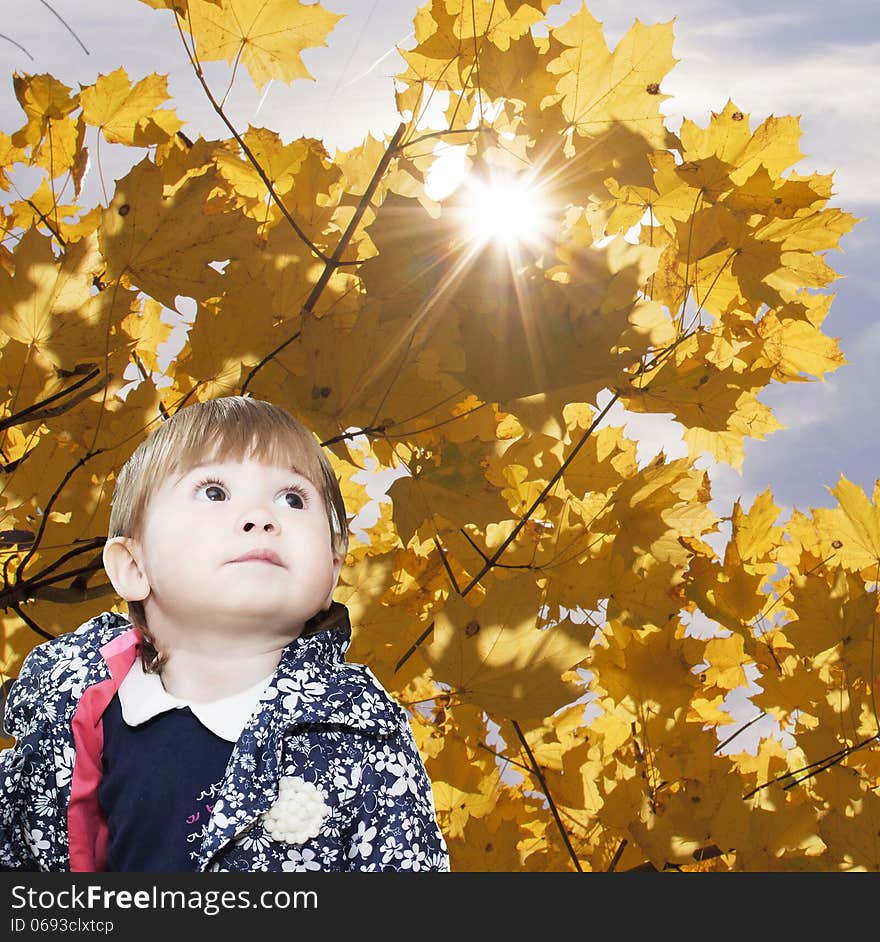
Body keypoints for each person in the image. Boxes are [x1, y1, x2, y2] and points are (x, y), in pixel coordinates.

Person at [0, 395, 449, 872]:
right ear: (133, 566)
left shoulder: (363, 731)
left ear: (332, 573)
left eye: (293, 499)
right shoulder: (64, 714)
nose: (261, 519)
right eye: (214, 491)